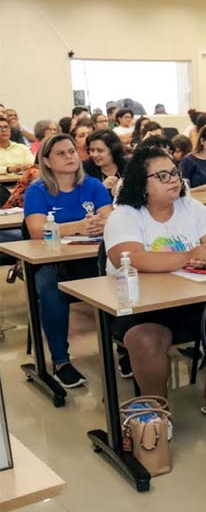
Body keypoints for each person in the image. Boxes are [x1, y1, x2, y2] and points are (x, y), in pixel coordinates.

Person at [105, 147, 206, 417]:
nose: (173, 179)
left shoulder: (191, 207)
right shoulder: (124, 215)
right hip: (140, 306)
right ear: (142, 183)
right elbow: (130, 257)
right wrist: (189, 256)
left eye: (174, 173)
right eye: (162, 176)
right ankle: (157, 413)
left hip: (193, 300)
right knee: (146, 339)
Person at [24, 134, 113, 388]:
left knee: (119, 279)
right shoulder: (37, 191)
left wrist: (100, 225)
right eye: (61, 153)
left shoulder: (94, 185)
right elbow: (37, 230)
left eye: (72, 151)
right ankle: (61, 361)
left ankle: (125, 349)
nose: (69, 157)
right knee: (51, 289)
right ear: (47, 161)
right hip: (51, 261)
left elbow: (109, 217)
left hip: (90, 257)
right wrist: (78, 226)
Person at [83, 129, 127, 195]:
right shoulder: (84, 169)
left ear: (113, 150)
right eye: (92, 150)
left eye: (100, 151)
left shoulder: (128, 165)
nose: (94, 155)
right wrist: (101, 188)